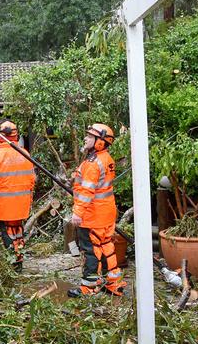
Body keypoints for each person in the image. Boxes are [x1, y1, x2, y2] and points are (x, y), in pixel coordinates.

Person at [67, 123, 127, 297]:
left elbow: (87, 191)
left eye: (90, 136)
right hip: (106, 213)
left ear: (100, 142)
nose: (86, 138)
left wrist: (77, 213)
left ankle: (90, 286)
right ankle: (113, 282)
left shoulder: (93, 163)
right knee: (106, 246)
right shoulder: (106, 159)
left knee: (91, 250)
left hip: (92, 215)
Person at [0, 120, 35, 272]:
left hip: (4, 205)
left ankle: (13, 265)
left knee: (8, 234)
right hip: (22, 204)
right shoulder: (25, 153)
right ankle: (18, 262)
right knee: (18, 232)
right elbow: (32, 180)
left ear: (0, 136)